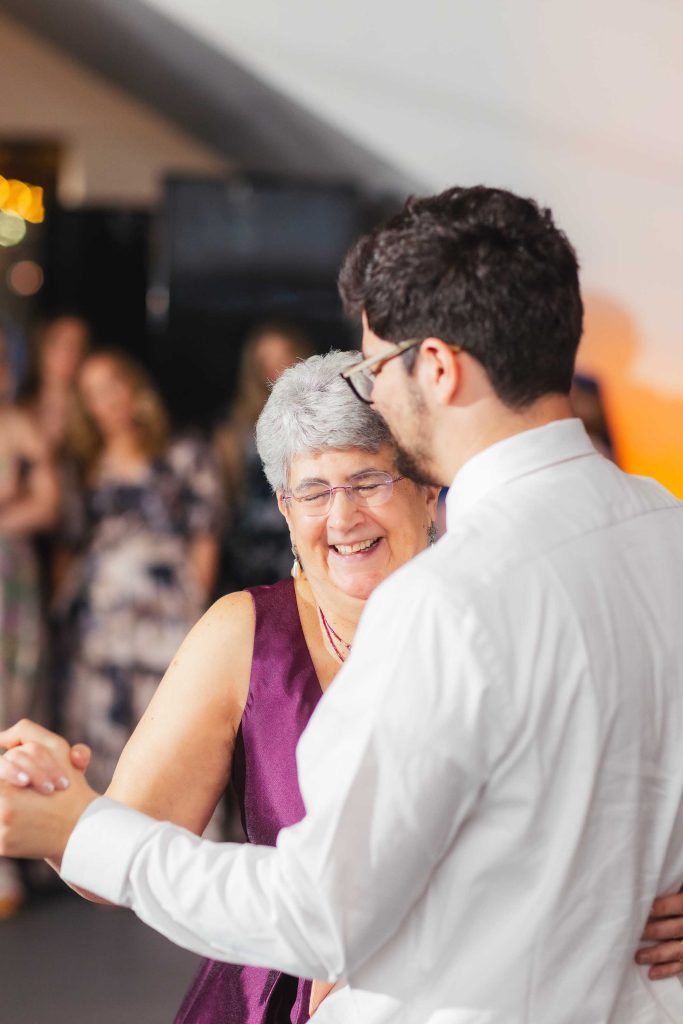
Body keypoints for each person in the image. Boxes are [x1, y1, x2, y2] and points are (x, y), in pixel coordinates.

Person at [2, 186, 683, 1024]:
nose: (375, 395)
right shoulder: (668, 535)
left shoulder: (448, 601)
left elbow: (318, 914)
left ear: (435, 366)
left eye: (373, 367)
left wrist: (84, 830)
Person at [2, 349, 438, 1023]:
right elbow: (117, 854)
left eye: (368, 481)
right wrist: (58, 803)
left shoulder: (485, 622)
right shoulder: (243, 633)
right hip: (280, 1000)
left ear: (427, 490)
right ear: (286, 512)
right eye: (314, 492)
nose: (343, 517)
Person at [53, 349, 222, 791]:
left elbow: (205, 534)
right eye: (91, 393)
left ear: (132, 386)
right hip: (101, 626)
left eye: (112, 384)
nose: (105, 400)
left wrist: (191, 608)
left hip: (164, 617)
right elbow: (70, 546)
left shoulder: (184, 453)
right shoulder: (84, 466)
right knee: (99, 739)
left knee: (168, 737)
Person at [0, 320, 59, 915]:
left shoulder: (18, 424)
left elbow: (47, 505)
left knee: (12, 700)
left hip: (8, 579)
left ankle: (10, 858)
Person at [213, 321, 313, 593]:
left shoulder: (318, 419)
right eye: (265, 359)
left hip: (306, 536)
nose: (276, 366)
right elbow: (229, 497)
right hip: (250, 550)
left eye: (283, 355)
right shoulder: (235, 428)